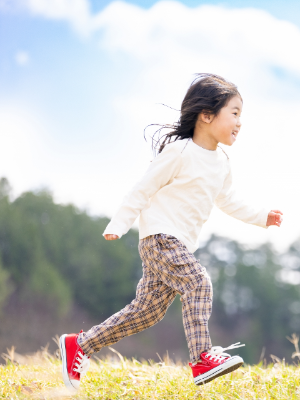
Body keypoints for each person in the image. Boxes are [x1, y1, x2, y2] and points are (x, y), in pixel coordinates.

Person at [58, 73, 283, 389]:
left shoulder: (221, 162)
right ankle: (202, 357)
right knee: (197, 282)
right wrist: (119, 223)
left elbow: (228, 200)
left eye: (240, 115)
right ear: (206, 115)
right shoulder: (179, 152)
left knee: (145, 313)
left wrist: (262, 216)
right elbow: (143, 189)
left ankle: (80, 344)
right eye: (234, 113)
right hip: (160, 238)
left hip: (179, 246)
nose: (239, 122)